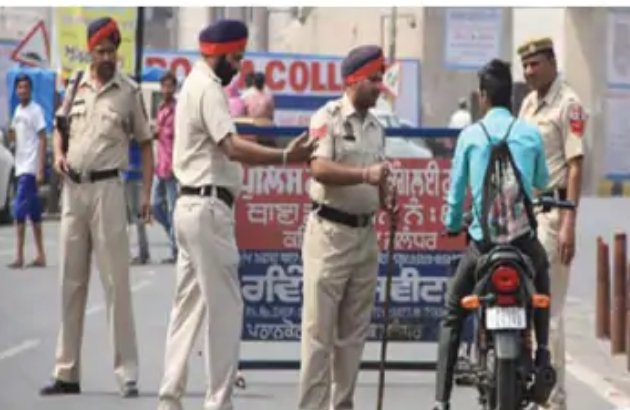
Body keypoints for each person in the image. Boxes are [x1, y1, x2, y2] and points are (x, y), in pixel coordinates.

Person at [156, 19, 315, 410]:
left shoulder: (193, 84)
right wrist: (285, 156)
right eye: (236, 58)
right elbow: (231, 146)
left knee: (187, 308)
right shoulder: (209, 88)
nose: (239, 67)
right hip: (208, 208)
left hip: (190, 206)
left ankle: (170, 397)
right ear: (220, 54)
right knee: (226, 309)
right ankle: (219, 402)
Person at [40, 16, 153, 398]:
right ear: (90, 51)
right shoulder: (74, 85)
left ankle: (127, 373)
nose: (106, 57)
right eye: (100, 51)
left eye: (111, 51)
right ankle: (66, 372)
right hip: (74, 192)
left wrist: (147, 195)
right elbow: (59, 128)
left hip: (108, 191)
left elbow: (146, 143)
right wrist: (58, 155)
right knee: (70, 283)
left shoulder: (129, 92)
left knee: (116, 284)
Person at [432, 59, 552, 410]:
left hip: (483, 247)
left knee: (453, 311)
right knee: (542, 282)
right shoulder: (529, 134)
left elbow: (456, 195)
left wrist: (452, 222)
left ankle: (441, 400)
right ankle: (543, 354)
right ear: (511, 97)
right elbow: (542, 181)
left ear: (482, 96)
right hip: (522, 245)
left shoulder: (470, 137)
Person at [297, 45, 393, 410]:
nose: (379, 86)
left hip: (365, 236)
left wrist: (387, 197)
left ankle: (343, 404)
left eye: (381, 79)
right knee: (318, 333)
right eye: (374, 80)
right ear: (353, 80)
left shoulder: (376, 128)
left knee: (353, 336)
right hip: (330, 235)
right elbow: (318, 167)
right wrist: (365, 174)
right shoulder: (328, 117)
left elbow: (378, 178)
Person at [518, 37, 586, 410]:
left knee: (550, 310)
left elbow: (575, 166)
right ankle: (530, 388)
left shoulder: (568, 104)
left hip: (553, 213)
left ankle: (554, 399)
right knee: (523, 306)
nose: (529, 71)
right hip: (524, 213)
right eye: (525, 65)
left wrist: (568, 223)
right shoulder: (528, 104)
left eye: (536, 64)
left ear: (552, 63)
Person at [7, 73, 47, 269]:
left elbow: (42, 138)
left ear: (30, 90)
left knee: (19, 213)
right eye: (19, 88)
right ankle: (41, 255)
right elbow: (14, 136)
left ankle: (19, 256)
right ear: (16, 91)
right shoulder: (17, 110)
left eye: (25, 87)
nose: (22, 91)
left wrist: (40, 168)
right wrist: (10, 134)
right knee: (35, 213)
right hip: (20, 166)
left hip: (29, 169)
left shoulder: (35, 111)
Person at [152, 70, 178, 263]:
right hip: (160, 165)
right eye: (164, 86)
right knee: (155, 206)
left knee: (172, 209)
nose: (167, 90)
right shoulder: (160, 108)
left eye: (170, 86)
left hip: (173, 166)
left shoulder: (178, 111)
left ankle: (175, 250)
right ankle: (175, 238)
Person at [124, 139, 151, 264]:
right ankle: (141, 251)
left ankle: (142, 251)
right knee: (133, 215)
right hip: (130, 171)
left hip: (131, 172)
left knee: (136, 215)